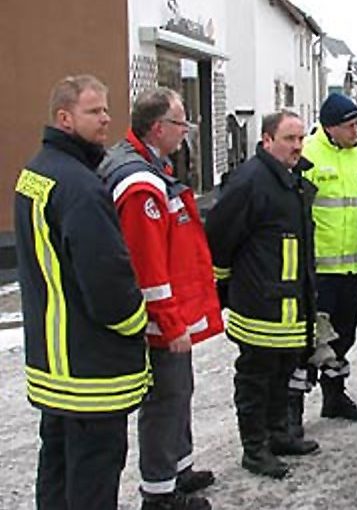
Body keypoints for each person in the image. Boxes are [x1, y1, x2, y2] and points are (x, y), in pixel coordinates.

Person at [15, 75, 149, 509]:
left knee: (56, 469)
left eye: (107, 109)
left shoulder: (36, 172)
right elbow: (107, 280)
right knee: (92, 481)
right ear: (64, 118)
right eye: (95, 111)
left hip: (52, 365)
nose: (107, 119)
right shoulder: (82, 187)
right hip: (89, 371)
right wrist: (136, 322)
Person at [100, 87, 223, 510]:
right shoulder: (140, 185)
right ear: (158, 128)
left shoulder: (150, 167)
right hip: (157, 321)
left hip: (169, 313)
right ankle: (159, 493)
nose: (186, 130)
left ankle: (178, 467)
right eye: (181, 122)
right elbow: (148, 268)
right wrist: (170, 325)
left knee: (180, 391)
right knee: (165, 399)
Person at [205, 110, 320, 480]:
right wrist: (227, 288)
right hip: (259, 304)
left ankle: (278, 435)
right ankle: (254, 450)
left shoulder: (292, 178)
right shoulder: (251, 181)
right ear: (267, 141)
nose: (297, 146)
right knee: (255, 378)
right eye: (289, 139)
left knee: (282, 372)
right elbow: (220, 239)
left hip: (289, 305)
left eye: (301, 138)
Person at [290, 93, 357, 435]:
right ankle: (291, 414)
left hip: (351, 270)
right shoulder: (306, 154)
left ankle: (334, 397)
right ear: (330, 128)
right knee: (308, 343)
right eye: (350, 125)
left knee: (344, 338)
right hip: (317, 271)